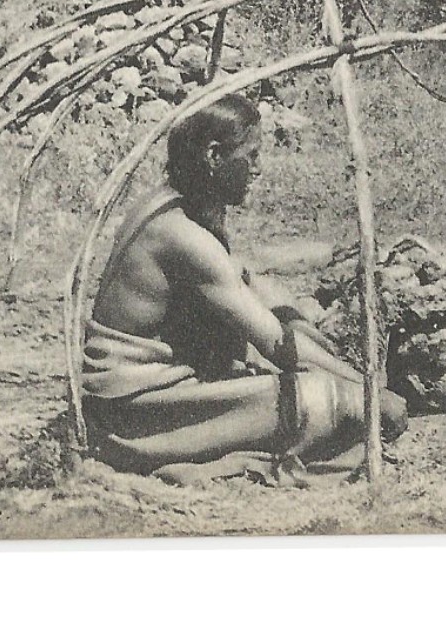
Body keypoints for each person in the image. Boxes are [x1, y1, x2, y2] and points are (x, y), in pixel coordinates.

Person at [81, 95, 407, 484]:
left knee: (303, 347)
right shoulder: (181, 236)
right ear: (215, 156)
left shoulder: (175, 205)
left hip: (136, 395)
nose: (259, 170)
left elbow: (246, 282)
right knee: (335, 406)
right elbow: (276, 345)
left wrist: (301, 324)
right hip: (134, 414)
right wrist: (368, 388)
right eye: (252, 156)